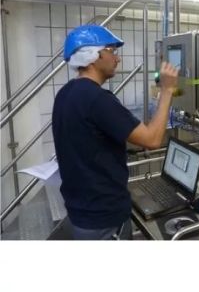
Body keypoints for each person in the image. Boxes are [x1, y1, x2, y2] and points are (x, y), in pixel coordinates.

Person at [52, 24, 178, 240]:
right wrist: (167, 90)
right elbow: (153, 139)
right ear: (93, 56)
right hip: (104, 220)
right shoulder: (97, 99)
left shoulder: (66, 93)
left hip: (81, 212)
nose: (117, 58)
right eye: (111, 50)